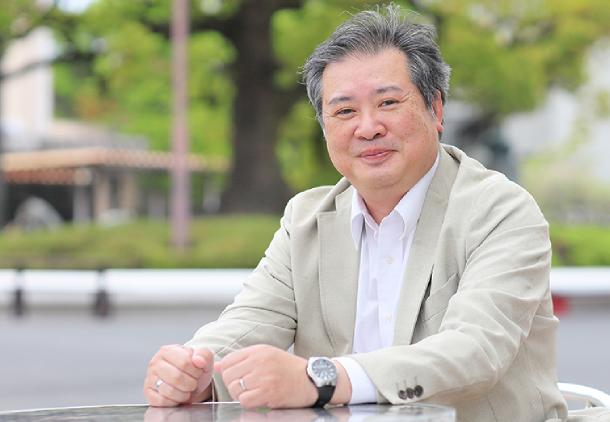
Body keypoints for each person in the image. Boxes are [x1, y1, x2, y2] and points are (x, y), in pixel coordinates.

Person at [144, 4, 576, 421]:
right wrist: (194, 369)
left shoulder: (500, 211)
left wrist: (320, 379)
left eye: (388, 103)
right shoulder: (306, 219)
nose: (367, 128)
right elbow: (250, 322)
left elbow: (475, 350)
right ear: (325, 127)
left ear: (436, 108)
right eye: (345, 111)